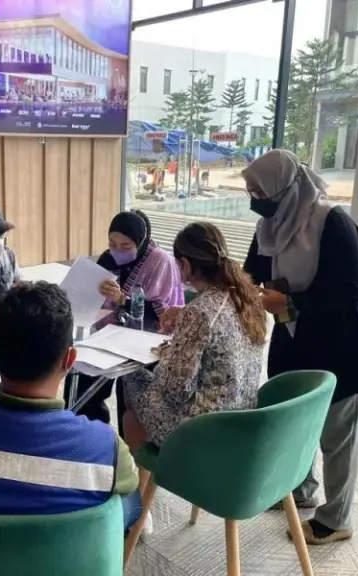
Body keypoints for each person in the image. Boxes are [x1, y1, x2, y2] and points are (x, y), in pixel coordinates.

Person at [0, 282, 142, 529]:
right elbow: (131, 499)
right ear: (70, 359)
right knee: (129, 502)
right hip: (57, 553)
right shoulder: (104, 446)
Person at [242, 149, 358, 545]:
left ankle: (337, 519)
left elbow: (352, 288)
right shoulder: (270, 225)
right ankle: (300, 487)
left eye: (260, 191)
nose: (255, 199)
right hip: (292, 331)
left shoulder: (331, 221)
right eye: (250, 191)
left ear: (285, 187)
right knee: (297, 415)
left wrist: (291, 301)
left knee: (337, 430)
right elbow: (252, 272)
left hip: (339, 338)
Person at [122, 221, 267, 531]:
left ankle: (138, 502)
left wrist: (168, 356)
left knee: (132, 380)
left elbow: (176, 390)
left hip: (201, 432)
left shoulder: (200, 312)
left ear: (186, 265)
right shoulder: (246, 297)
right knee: (144, 388)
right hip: (241, 422)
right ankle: (141, 493)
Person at [64, 210, 183, 426]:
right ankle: (89, 433)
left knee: (130, 394)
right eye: (112, 243)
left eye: (126, 246)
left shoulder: (160, 262)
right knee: (85, 381)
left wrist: (122, 299)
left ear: (141, 241)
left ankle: (126, 439)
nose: (117, 250)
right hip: (107, 333)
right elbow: (89, 295)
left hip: (145, 340)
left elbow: (163, 313)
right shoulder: (108, 258)